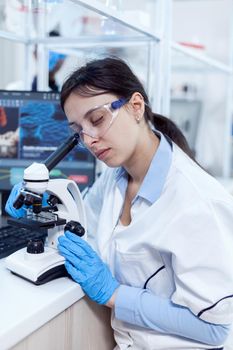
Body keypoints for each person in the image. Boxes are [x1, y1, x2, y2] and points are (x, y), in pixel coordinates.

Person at [6, 57, 233, 349]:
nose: (89, 140)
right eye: (78, 131)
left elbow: (214, 327)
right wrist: (47, 204)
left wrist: (114, 294)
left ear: (136, 106)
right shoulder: (115, 178)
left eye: (97, 120)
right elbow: (84, 224)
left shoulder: (197, 202)